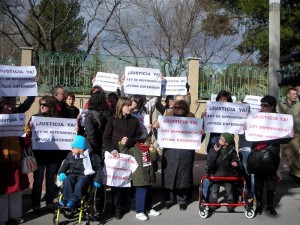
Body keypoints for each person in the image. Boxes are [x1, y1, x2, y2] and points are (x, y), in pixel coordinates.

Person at [252, 95, 293, 216]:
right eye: (261, 105)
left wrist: (289, 135)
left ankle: (270, 205)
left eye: (265, 105)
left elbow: (284, 140)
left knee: (270, 182)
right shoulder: (255, 118)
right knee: (258, 181)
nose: (262, 107)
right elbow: (249, 133)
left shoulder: (279, 120)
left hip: (272, 155)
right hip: (258, 154)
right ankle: (259, 205)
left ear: (272, 107)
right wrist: (246, 128)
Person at [103, 97, 142, 220]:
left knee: (127, 181)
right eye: (127, 105)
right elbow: (106, 138)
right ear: (121, 106)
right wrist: (113, 149)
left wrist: (129, 141)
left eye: (131, 105)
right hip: (115, 156)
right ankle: (117, 209)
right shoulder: (112, 120)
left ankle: (126, 204)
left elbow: (138, 137)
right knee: (116, 184)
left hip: (128, 155)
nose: (130, 107)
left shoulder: (135, 121)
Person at [25, 96, 61, 214]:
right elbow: (27, 135)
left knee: (50, 180)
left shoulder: (57, 119)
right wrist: (29, 130)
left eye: (44, 104)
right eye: (41, 104)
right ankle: (36, 205)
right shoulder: (35, 118)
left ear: (50, 106)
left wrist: (73, 129)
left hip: (52, 155)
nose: (42, 106)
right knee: (38, 180)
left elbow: (64, 134)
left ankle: (50, 204)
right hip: (39, 155)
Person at [160, 100, 195, 211]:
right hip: (170, 151)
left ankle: (182, 200)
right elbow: (161, 135)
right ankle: (169, 200)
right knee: (168, 175)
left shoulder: (191, 121)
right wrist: (157, 131)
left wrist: (201, 134)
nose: (176, 109)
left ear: (185, 109)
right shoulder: (167, 119)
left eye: (179, 107)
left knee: (183, 176)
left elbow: (197, 139)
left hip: (185, 152)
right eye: (175, 107)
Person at [0, 98, 29, 225]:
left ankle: (15, 216)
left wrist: (27, 133)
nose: (11, 108)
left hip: (16, 160)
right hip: (2, 162)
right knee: (2, 192)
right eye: (7, 106)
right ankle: (2, 218)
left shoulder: (17, 121)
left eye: (11, 105)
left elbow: (25, 142)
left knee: (17, 191)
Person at [120, 136, 161, 221]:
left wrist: (153, 150)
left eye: (150, 141)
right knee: (140, 195)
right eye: (148, 141)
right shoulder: (134, 150)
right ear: (141, 143)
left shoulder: (149, 149)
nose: (150, 143)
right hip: (140, 177)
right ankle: (139, 212)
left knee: (149, 194)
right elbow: (124, 153)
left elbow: (155, 158)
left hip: (149, 176)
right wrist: (122, 144)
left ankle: (149, 208)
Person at [57, 135, 104, 207]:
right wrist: (61, 173)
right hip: (72, 174)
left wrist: (97, 180)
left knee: (81, 180)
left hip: (84, 176)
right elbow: (65, 165)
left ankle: (73, 199)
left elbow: (98, 169)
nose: (71, 150)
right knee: (67, 179)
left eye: (73, 148)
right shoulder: (70, 155)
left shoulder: (92, 156)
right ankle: (66, 198)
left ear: (80, 149)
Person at [206, 132, 241, 213]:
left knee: (229, 191)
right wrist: (215, 151)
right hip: (216, 174)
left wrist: (235, 162)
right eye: (220, 138)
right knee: (214, 192)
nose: (219, 140)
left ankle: (230, 205)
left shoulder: (231, 149)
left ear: (227, 142)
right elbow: (210, 160)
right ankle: (212, 205)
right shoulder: (215, 147)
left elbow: (235, 159)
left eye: (222, 139)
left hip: (228, 175)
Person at [278, 87, 300, 181]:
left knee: (295, 152)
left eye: (296, 94)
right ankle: (295, 172)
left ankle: (294, 172)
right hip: (285, 133)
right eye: (294, 94)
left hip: (297, 131)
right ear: (288, 95)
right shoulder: (279, 104)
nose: (296, 95)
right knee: (290, 152)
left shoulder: (299, 104)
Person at [85, 92, 112, 158]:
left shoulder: (89, 114)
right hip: (106, 143)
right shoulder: (109, 113)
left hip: (93, 144)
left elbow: (90, 133)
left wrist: (94, 147)